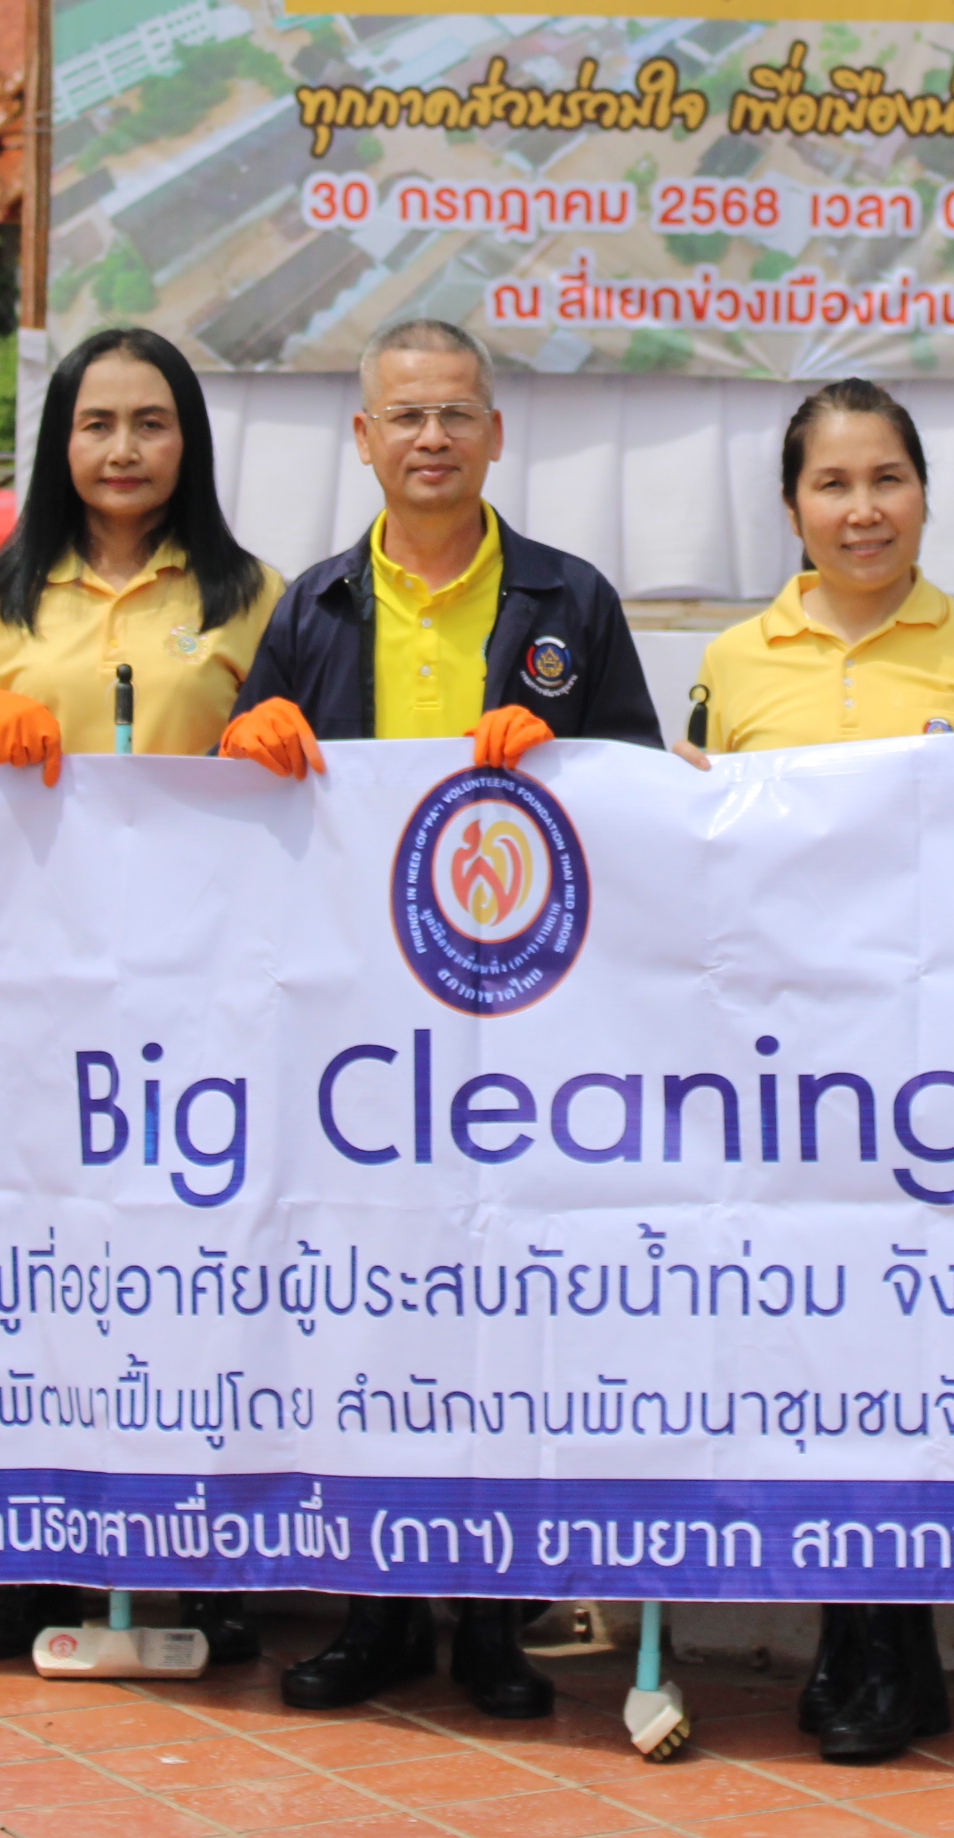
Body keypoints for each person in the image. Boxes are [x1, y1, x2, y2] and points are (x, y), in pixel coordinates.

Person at [222, 316, 662, 1718]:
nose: (429, 438)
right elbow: (240, 798)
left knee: (502, 1308)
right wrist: (247, 741)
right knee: (376, 1309)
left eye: (455, 415)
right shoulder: (312, 608)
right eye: (403, 415)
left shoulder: (568, 601)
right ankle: (376, 1608)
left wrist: (575, 760)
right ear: (362, 439)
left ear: (495, 434)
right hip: (363, 1038)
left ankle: (488, 1618)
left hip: (524, 1023)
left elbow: (646, 795)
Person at [689, 378, 954, 1765]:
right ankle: (862, 1634)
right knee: (818, 1346)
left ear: (925, 491)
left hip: (942, 1071)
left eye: (887, 479)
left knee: (924, 1345)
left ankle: (890, 1636)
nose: (864, 510)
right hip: (789, 1078)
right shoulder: (737, 664)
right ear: (791, 507)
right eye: (834, 485)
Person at [0, 323, 283, 1667]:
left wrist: (266, 736)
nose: (122, 449)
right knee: (48, 1270)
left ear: (188, 441)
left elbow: (312, 765)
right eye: (96, 423)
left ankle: (195, 1558)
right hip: (37, 989)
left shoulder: (255, 594)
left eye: (150, 422)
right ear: (58, 442)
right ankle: (34, 1553)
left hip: (203, 995)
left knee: (193, 1276)